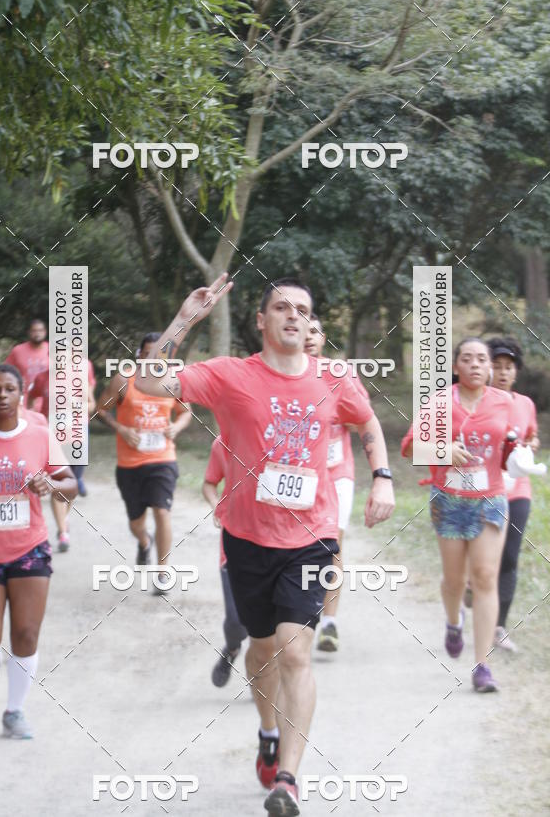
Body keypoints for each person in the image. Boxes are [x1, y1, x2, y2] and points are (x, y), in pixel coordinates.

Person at [134, 275, 394, 815]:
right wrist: (186, 319)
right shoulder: (230, 376)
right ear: (262, 320)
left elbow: (367, 421)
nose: (294, 316)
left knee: (296, 652)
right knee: (261, 649)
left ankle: (290, 780)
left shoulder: (335, 377)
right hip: (247, 539)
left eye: (303, 308)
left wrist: (384, 477)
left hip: (311, 538)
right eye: (281, 307)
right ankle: (269, 731)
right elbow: (150, 383)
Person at [0, 364, 77, 738]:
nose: (2, 396)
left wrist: (49, 486)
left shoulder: (40, 435)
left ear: (21, 395)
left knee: (25, 634)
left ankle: (15, 711)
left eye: (9, 389)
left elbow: (70, 484)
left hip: (30, 549)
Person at [402, 337, 515, 693]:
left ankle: (482, 666)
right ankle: (453, 622)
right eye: (467, 359)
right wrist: (442, 448)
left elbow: (520, 440)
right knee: (454, 582)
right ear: (455, 367)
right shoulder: (438, 404)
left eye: (483, 359)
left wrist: (524, 449)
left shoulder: (507, 402)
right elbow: (408, 449)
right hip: (449, 499)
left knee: (483, 578)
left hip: (491, 498)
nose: (476, 365)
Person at [97, 333, 192, 589]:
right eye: (149, 353)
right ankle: (144, 542)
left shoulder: (173, 383)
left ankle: (163, 572)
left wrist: (177, 427)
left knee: (162, 511)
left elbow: (186, 413)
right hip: (130, 463)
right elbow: (101, 410)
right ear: (139, 355)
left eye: (161, 354)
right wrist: (121, 428)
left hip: (163, 458)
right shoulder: (123, 380)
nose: (154, 359)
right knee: (136, 523)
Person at [304, 316, 364, 653]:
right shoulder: (284, 374)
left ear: (324, 338)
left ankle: (329, 622)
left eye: (315, 331)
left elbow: (361, 422)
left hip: (337, 472)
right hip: (300, 476)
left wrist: (335, 414)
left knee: (333, 546)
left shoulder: (340, 373)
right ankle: (300, 609)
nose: (309, 338)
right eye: (304, 331)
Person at [488, 337, 540, 652]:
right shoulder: (478, 402)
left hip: (518, 489)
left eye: (508, 367)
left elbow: (531, 434)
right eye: (497, 366)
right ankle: (471, 588)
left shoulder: (526, 404)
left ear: (516, 372)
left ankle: (499, 627)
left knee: (509, 557)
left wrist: (532, 443)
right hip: (484, 489)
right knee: (484, 557)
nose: (503, 372)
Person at [28, 360, 97, 551]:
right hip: (52, 441)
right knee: (57, 483)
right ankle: (63, 532)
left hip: (76, 438)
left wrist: (78, 409)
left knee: (72, 486)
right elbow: (30, 399)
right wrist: (35, 418)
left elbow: (91, 404)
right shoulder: (43, 377)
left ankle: (63, 520)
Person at [202, 434, 248, 686]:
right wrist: (216, 504)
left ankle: (264, 681)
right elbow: (209, 483)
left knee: (271, 627)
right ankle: (231, 649)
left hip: (275, 545)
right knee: (235, 621)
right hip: (233, 547)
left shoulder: (278, 441)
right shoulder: (222, 444)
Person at [5, 319, 49, 412]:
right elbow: (6, 372)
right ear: (29, 332)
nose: (37, 334)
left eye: (40, 331)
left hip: (47, 402)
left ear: (45, 332)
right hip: (23, 402)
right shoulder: (18, 351)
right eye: (34, 331)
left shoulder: (53, 350)